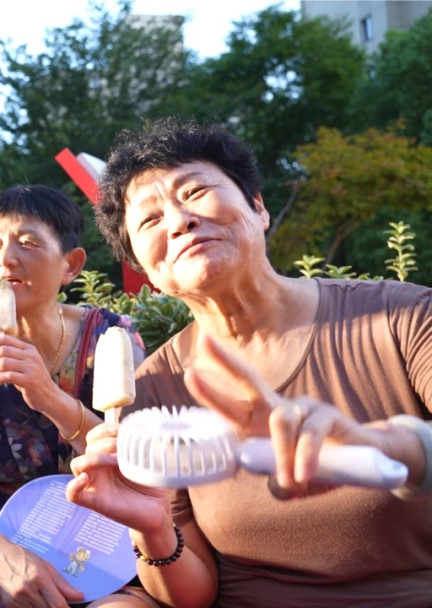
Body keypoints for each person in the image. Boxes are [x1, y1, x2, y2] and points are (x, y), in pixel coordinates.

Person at [67, 118, 432, 607]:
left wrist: (381, 446)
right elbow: (191, 597)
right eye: (150, 221)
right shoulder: (150, 393)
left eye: (195, 191)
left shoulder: (403, 317)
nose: (178, 222)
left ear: (258, 207)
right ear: (147, 271)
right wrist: (153, 528)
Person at [0, 185, 154, 608]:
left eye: (27, 243)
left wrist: (49, 396)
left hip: (99, 548)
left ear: (71, 265)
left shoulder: (111, 337)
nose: (5, 259)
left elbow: (138, 468)